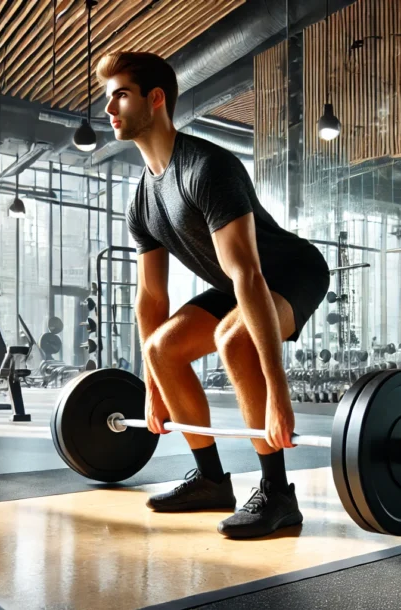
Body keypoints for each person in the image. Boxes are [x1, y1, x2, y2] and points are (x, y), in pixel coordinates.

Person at [98, 51, 330, 538]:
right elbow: (151, 299)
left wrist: (278, 399)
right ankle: (210, 481)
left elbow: (248, 274)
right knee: (161, 348)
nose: (108, 108)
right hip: (238, 284)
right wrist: (153, 392)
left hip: (290, 272)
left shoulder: (208, 167)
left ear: (155, 99)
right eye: (107, 97)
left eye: (119, 94)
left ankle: (278, 494)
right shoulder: (142, 198)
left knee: (234, 339)